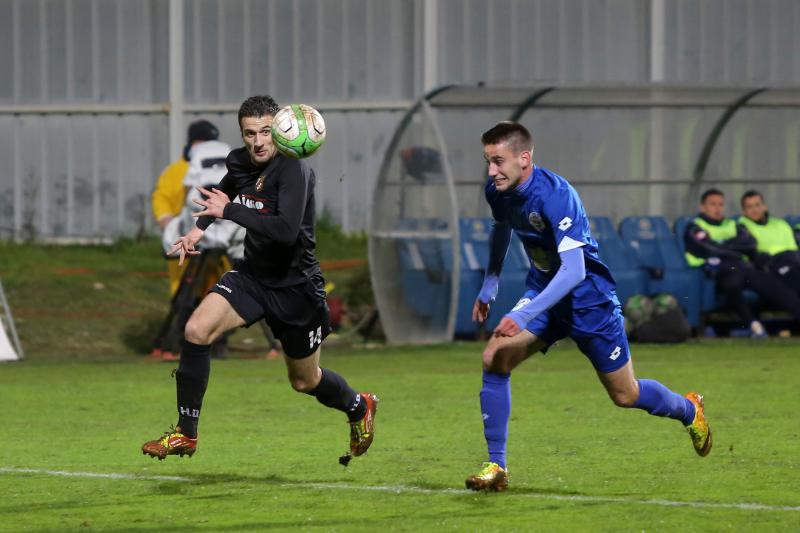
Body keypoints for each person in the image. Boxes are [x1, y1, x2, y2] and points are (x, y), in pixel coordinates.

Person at [465, 122, 711, 493]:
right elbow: (503, 226)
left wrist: (523, 314)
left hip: (588, 301)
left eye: (498, 161)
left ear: (524, 158)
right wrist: (490, 282)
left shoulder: (557, 196)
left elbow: (575, 271)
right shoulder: (497, 190)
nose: (491, 171)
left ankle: (688, 410)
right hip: (546, 292)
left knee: (625, 395)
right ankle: (496, 465)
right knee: (495, 357)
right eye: (487, 161)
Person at [142, 95, 377, 463]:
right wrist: (198, 231)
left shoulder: (294, 170)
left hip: (296, 288)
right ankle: (186, 434)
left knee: (304, 380)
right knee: (196, 330)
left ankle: (358, 405)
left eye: (266, 132)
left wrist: (230, 211)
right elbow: (222, 194)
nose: (258, 141)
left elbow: (284, 231)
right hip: (253, 276)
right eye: (250, 133)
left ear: (279, 131)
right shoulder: (239, 161)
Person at [684, 189, 800, 336]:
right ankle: (753, 325)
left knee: (778, 288)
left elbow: (750, 244)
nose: (717, 208)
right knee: (732, 283)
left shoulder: (732, 225)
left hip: (743, 267)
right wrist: (733, 248)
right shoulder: (695, 227)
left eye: (720, 204)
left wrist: (722, 245)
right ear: (702, 207)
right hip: (719, 269)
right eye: (712, 204)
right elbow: (708, 248)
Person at [151, 120, 220, 297]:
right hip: (184, 239)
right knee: (182, 289)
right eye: (202, 142)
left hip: (215, 240)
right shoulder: (175, 170)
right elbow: (161, 197)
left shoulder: (220, 168)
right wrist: (165, 218)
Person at [738, 190, 800, 292]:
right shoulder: (742, 227)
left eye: (757, 205)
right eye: (749, 207)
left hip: (795, 258)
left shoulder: (780, 223)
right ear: (744, 212)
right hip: (774, 263)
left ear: (764, 207)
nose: (754, 209)